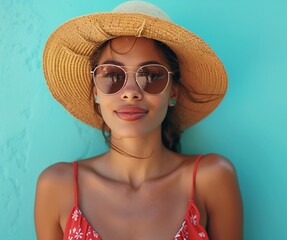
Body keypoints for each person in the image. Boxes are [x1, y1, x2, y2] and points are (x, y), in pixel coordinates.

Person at [34, 1, 243, 240]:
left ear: (173, 91)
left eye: (151, 75)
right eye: (112, 75)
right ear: (95, 91)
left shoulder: (212, 178)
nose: (130, 92)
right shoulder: (57, 187)